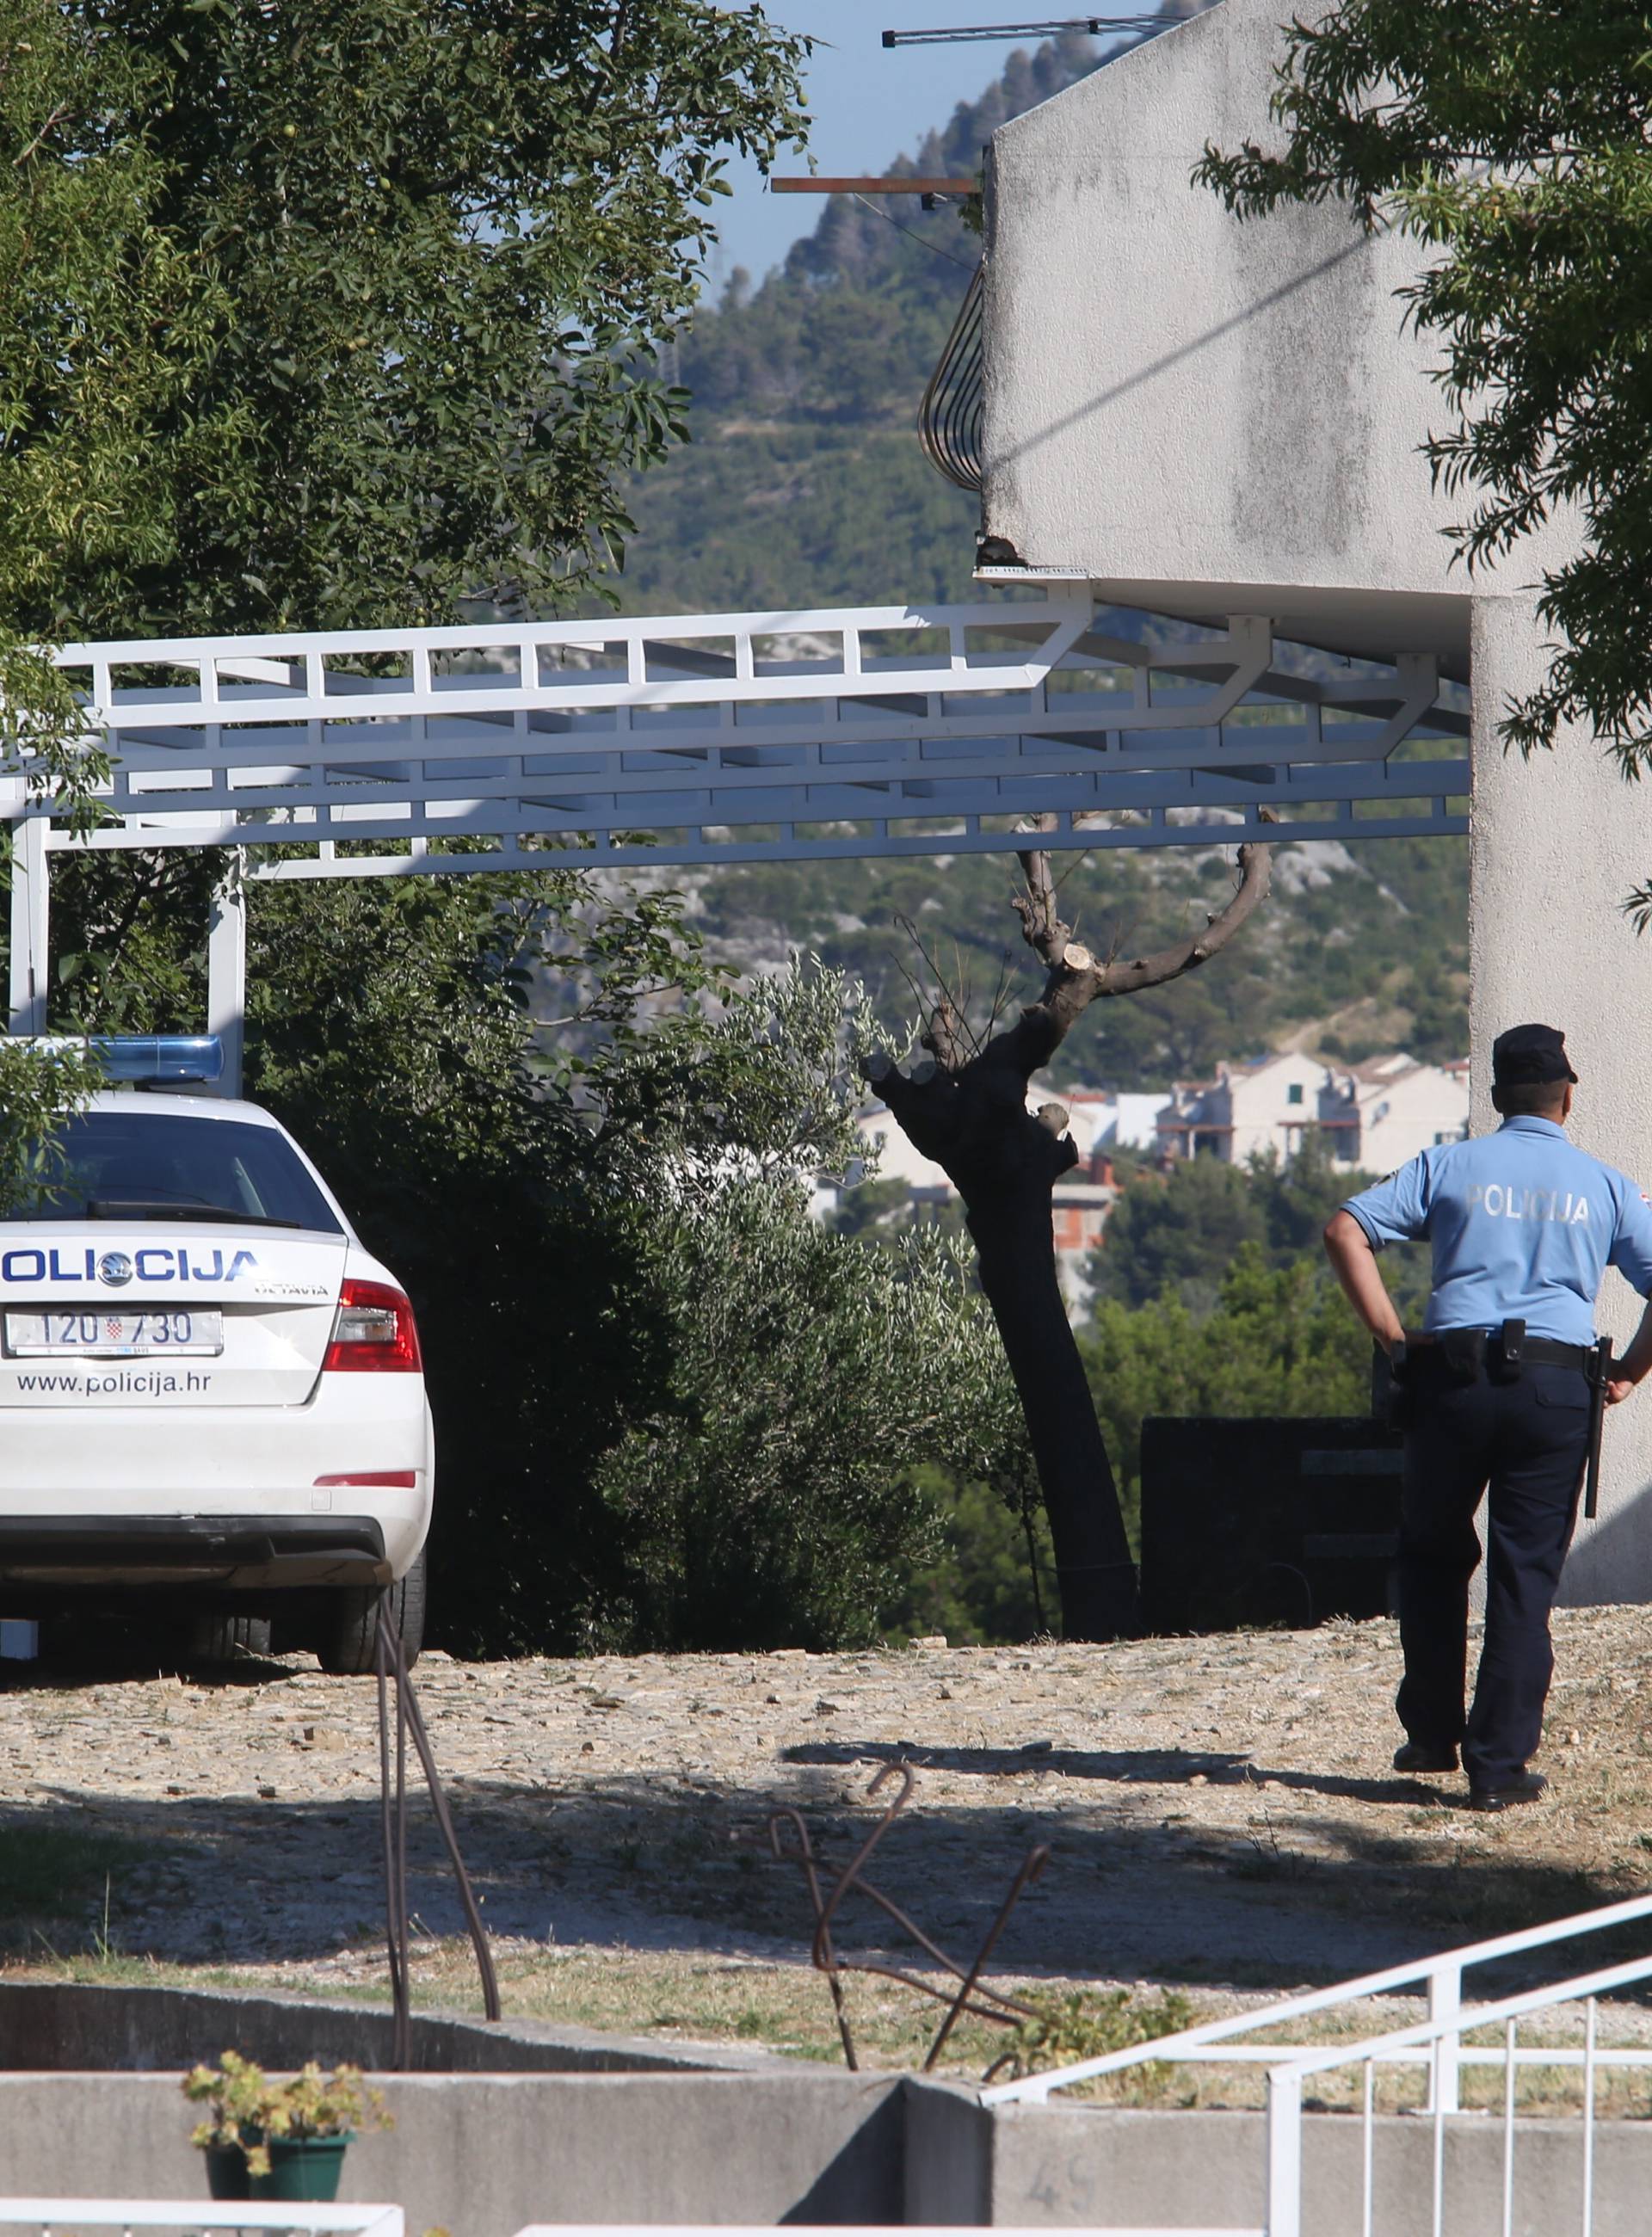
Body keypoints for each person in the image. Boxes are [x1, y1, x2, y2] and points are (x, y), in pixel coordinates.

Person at [1322, 1023, 1652, 1810]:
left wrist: (1397, 1342)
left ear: (1498, 1098)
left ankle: (1432, 1736)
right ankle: (1499, 1770)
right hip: (1556, 1389)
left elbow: (1345, 1230)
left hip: (1452, 1381)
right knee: (1523, 1574)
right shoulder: (1606, 1186)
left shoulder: (1450, 1165)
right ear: (1568, 1099)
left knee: (1433, 1555)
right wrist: (1630, 1372)